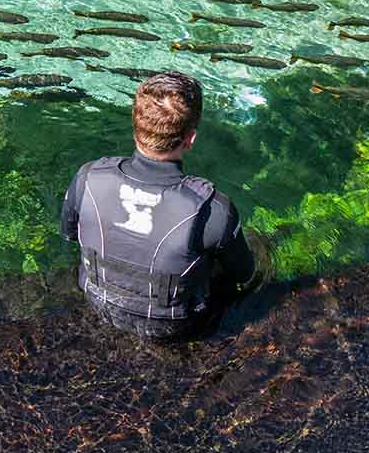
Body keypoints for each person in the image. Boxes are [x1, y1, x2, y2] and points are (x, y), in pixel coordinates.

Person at [60, 71, 258, 340]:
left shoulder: (88, 177)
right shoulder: (213, 209)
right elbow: (244, 274)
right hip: (171, 326)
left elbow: (71, 234)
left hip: (99, 304)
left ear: (136, 128)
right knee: (250, 248)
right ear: (190, 139)